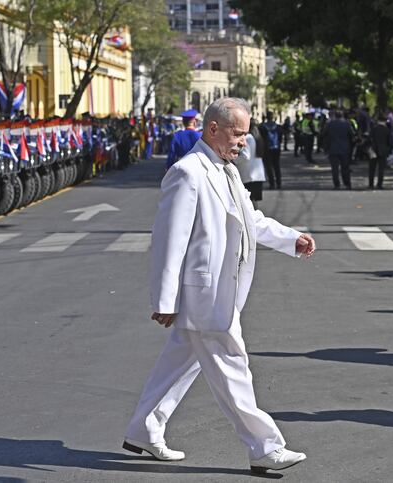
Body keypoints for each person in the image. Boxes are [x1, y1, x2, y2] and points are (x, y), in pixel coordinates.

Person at [123, 97, 316, 474]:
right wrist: (165, 299)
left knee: (180, 363)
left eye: (245, 134)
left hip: (219, 293)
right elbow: (169, 239)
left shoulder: (226, 170)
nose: (243, 141)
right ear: (213, 129)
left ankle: (144, 428)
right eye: (238, 133)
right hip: (204, 296)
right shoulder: (188, 173)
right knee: (233, 366)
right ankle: (265, 447)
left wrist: (291, 238)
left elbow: (251, 221)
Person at [234, 118, 266, 209]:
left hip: (249, 175)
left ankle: (253, 222)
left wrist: (234, 161)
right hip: (257, 174)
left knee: (249, 203)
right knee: (253, 201)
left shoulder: (248, 138)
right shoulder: (257, 137)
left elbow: (245, 156)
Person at [323, 109, 355, 189]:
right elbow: (352, 135)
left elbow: (324, 135)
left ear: (335, 116)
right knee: (345, 167)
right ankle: (347, 183)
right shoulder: (347, 124)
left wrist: (325, 147)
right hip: (345, 149)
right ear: (342, 116)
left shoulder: (330, 124)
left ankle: (337, 184)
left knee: (335, 168)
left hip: (332, 148)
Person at [259, 111, 282, 189]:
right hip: (276, 148)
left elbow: (260, 138)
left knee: (269, 167)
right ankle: (279, 183)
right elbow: (280, 138)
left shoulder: (262, 126)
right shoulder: (278, 126)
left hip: (267, 149)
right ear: (273, 117)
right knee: (277, 166)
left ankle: (272, 184)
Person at [369, 114, 393, 189]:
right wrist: (389, 150)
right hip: (383, 150)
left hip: (373, 150)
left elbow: (369, 139)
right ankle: (380, 184)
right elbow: (390, 142)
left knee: (372, 168)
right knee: (381, 169)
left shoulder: (374, 129)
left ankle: (371, 184)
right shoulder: (387, 130)